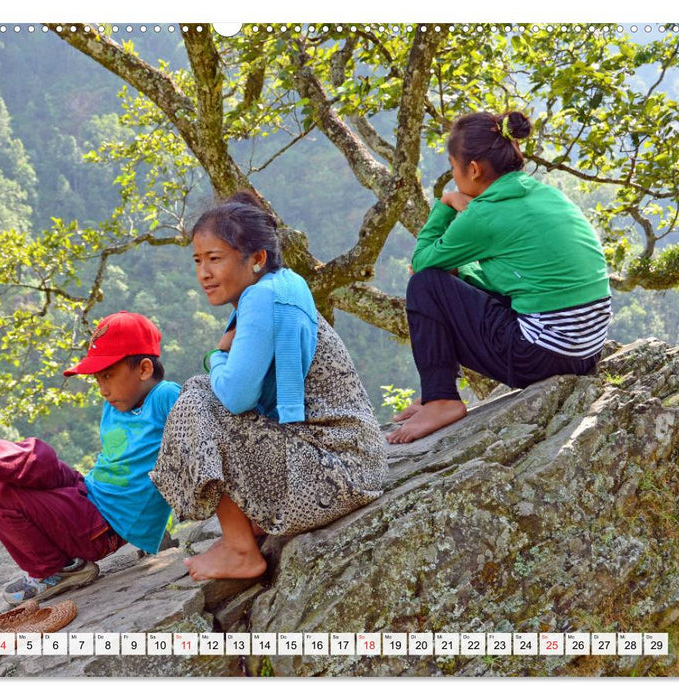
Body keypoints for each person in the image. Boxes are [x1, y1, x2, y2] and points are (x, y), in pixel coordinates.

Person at [150, 192, 387, 582]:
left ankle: (241, 549)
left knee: (197, 397)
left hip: (336, 473)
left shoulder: (262, 299)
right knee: (205, 392)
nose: (204, 273)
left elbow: (236, 397)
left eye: (215, 259)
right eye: (198, 260)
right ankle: (252, 524)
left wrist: (216, 356)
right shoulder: (285, 285)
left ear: (257, 259)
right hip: (357, 464)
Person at [0, 311, 180, 604]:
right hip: (88, 493)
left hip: (106, 525)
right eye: (96, 380)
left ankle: (56, 571)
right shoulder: (117, 405)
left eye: (108, 376)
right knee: (40, 459)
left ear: (143, 369)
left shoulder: (166, 395)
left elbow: (199, 426)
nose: (102, 390)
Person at [387, 111, 612, 444]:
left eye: (453, 167)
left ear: (474, 169)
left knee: (426, 283)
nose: (453, 176)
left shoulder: (484, 212)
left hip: (542, 355)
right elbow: (516, 279)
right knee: (446, 278)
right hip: (586, 349)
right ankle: (438, 388)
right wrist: (458, 273)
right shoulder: (543, 194)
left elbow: (421, 263)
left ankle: (442, 399)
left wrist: (447, 204)